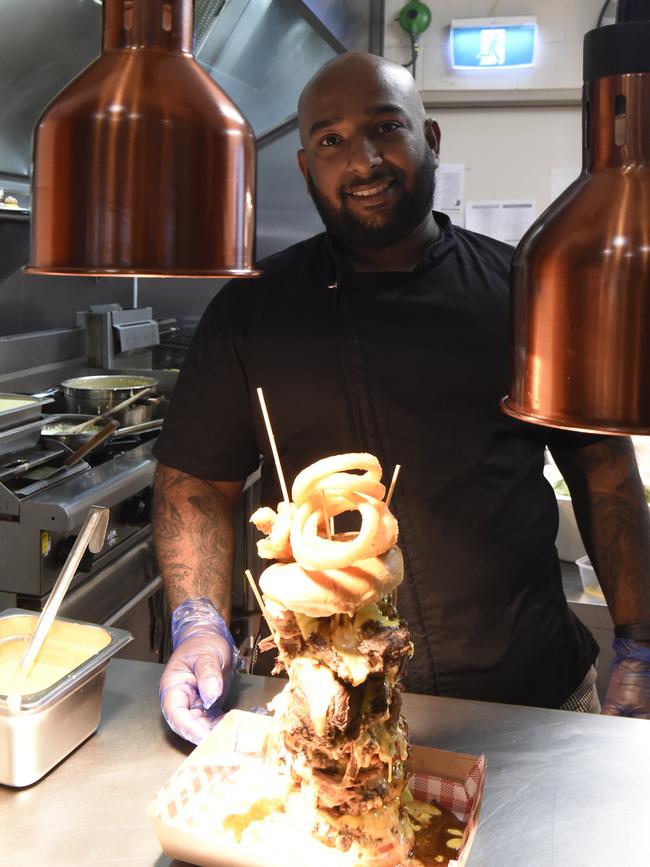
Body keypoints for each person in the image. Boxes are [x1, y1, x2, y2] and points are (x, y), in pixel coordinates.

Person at [152, 52, 650, 744]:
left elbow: (602, 470)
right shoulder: (251, 312)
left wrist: (638, 637)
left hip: (536, 702)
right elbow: (196, 482)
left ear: (432, 139)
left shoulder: (523, 292)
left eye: (386, 129)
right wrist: (197, 624)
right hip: (331, 713)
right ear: (305, 167)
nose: (363, 161)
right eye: (330, 141)